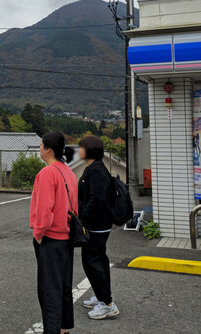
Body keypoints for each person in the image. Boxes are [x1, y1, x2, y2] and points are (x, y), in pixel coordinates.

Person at [29, 131, 77, 334]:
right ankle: (63, 328)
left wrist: (38, 235)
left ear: (48, 149)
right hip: (67, 237)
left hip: (51, 239)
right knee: (64, 287)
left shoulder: (47, 173)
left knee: (49, 291)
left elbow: (44, 211)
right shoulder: (68, 171)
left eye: (41, 145)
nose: (39, 148)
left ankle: (52, 330)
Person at [76, 136, 119, 320]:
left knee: (92, 262)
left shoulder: (95, 171)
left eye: (81, 147)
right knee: (98, 261)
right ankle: (102, 297)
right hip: (99, 225)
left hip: (96, 225)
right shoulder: (95, 168)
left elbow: (97, 198)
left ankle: (108, 304)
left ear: (89, 149)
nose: (79, 150)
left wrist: (82, 216)